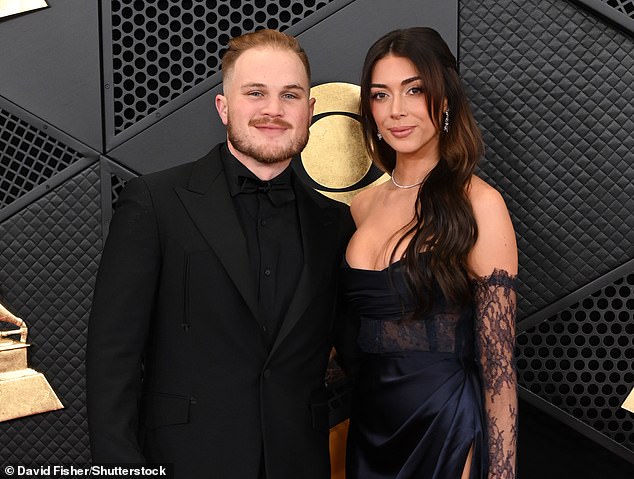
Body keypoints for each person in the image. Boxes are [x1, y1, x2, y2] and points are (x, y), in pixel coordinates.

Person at [87, 29, 353, 479]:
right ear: (223, 107)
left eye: (290, 95)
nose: (273, 109)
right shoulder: (155, 203)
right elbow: (113, 361)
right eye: (255, 93)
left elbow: (355, 356)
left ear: (310, 110)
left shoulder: (335, 223)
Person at [339, 27, 518, 478]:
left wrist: (502, 473)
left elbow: (498, 366)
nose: (395, 110)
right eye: (380, 95)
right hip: (369, 427)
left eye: (414, 90)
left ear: (447, 99)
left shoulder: (479, 203)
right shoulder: (362, 206)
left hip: (445, 425)